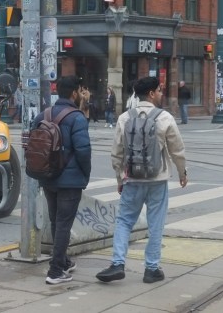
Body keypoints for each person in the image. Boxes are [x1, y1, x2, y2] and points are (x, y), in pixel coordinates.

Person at [96, 76, 188, 284]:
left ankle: (118, 263)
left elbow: (116, 153)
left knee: (124, 221)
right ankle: (151, 269)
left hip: (132, 179)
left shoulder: (124, 118)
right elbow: (177, 150)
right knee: (156, 223)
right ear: (151, 93)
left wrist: (120, 178)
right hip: (158, 179)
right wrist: (182, 173)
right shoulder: (164, 118)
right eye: (159, 90)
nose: (161, 93)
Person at [31, 75, 92, 285]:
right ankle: (56, 270)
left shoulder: (42, 115)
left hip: (48, 177)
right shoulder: (77, 118)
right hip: (70, 180)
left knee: (57, 220)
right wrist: (85, 175)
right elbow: (83, 151)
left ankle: (63, 261)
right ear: (74, 93)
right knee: (64, 224)